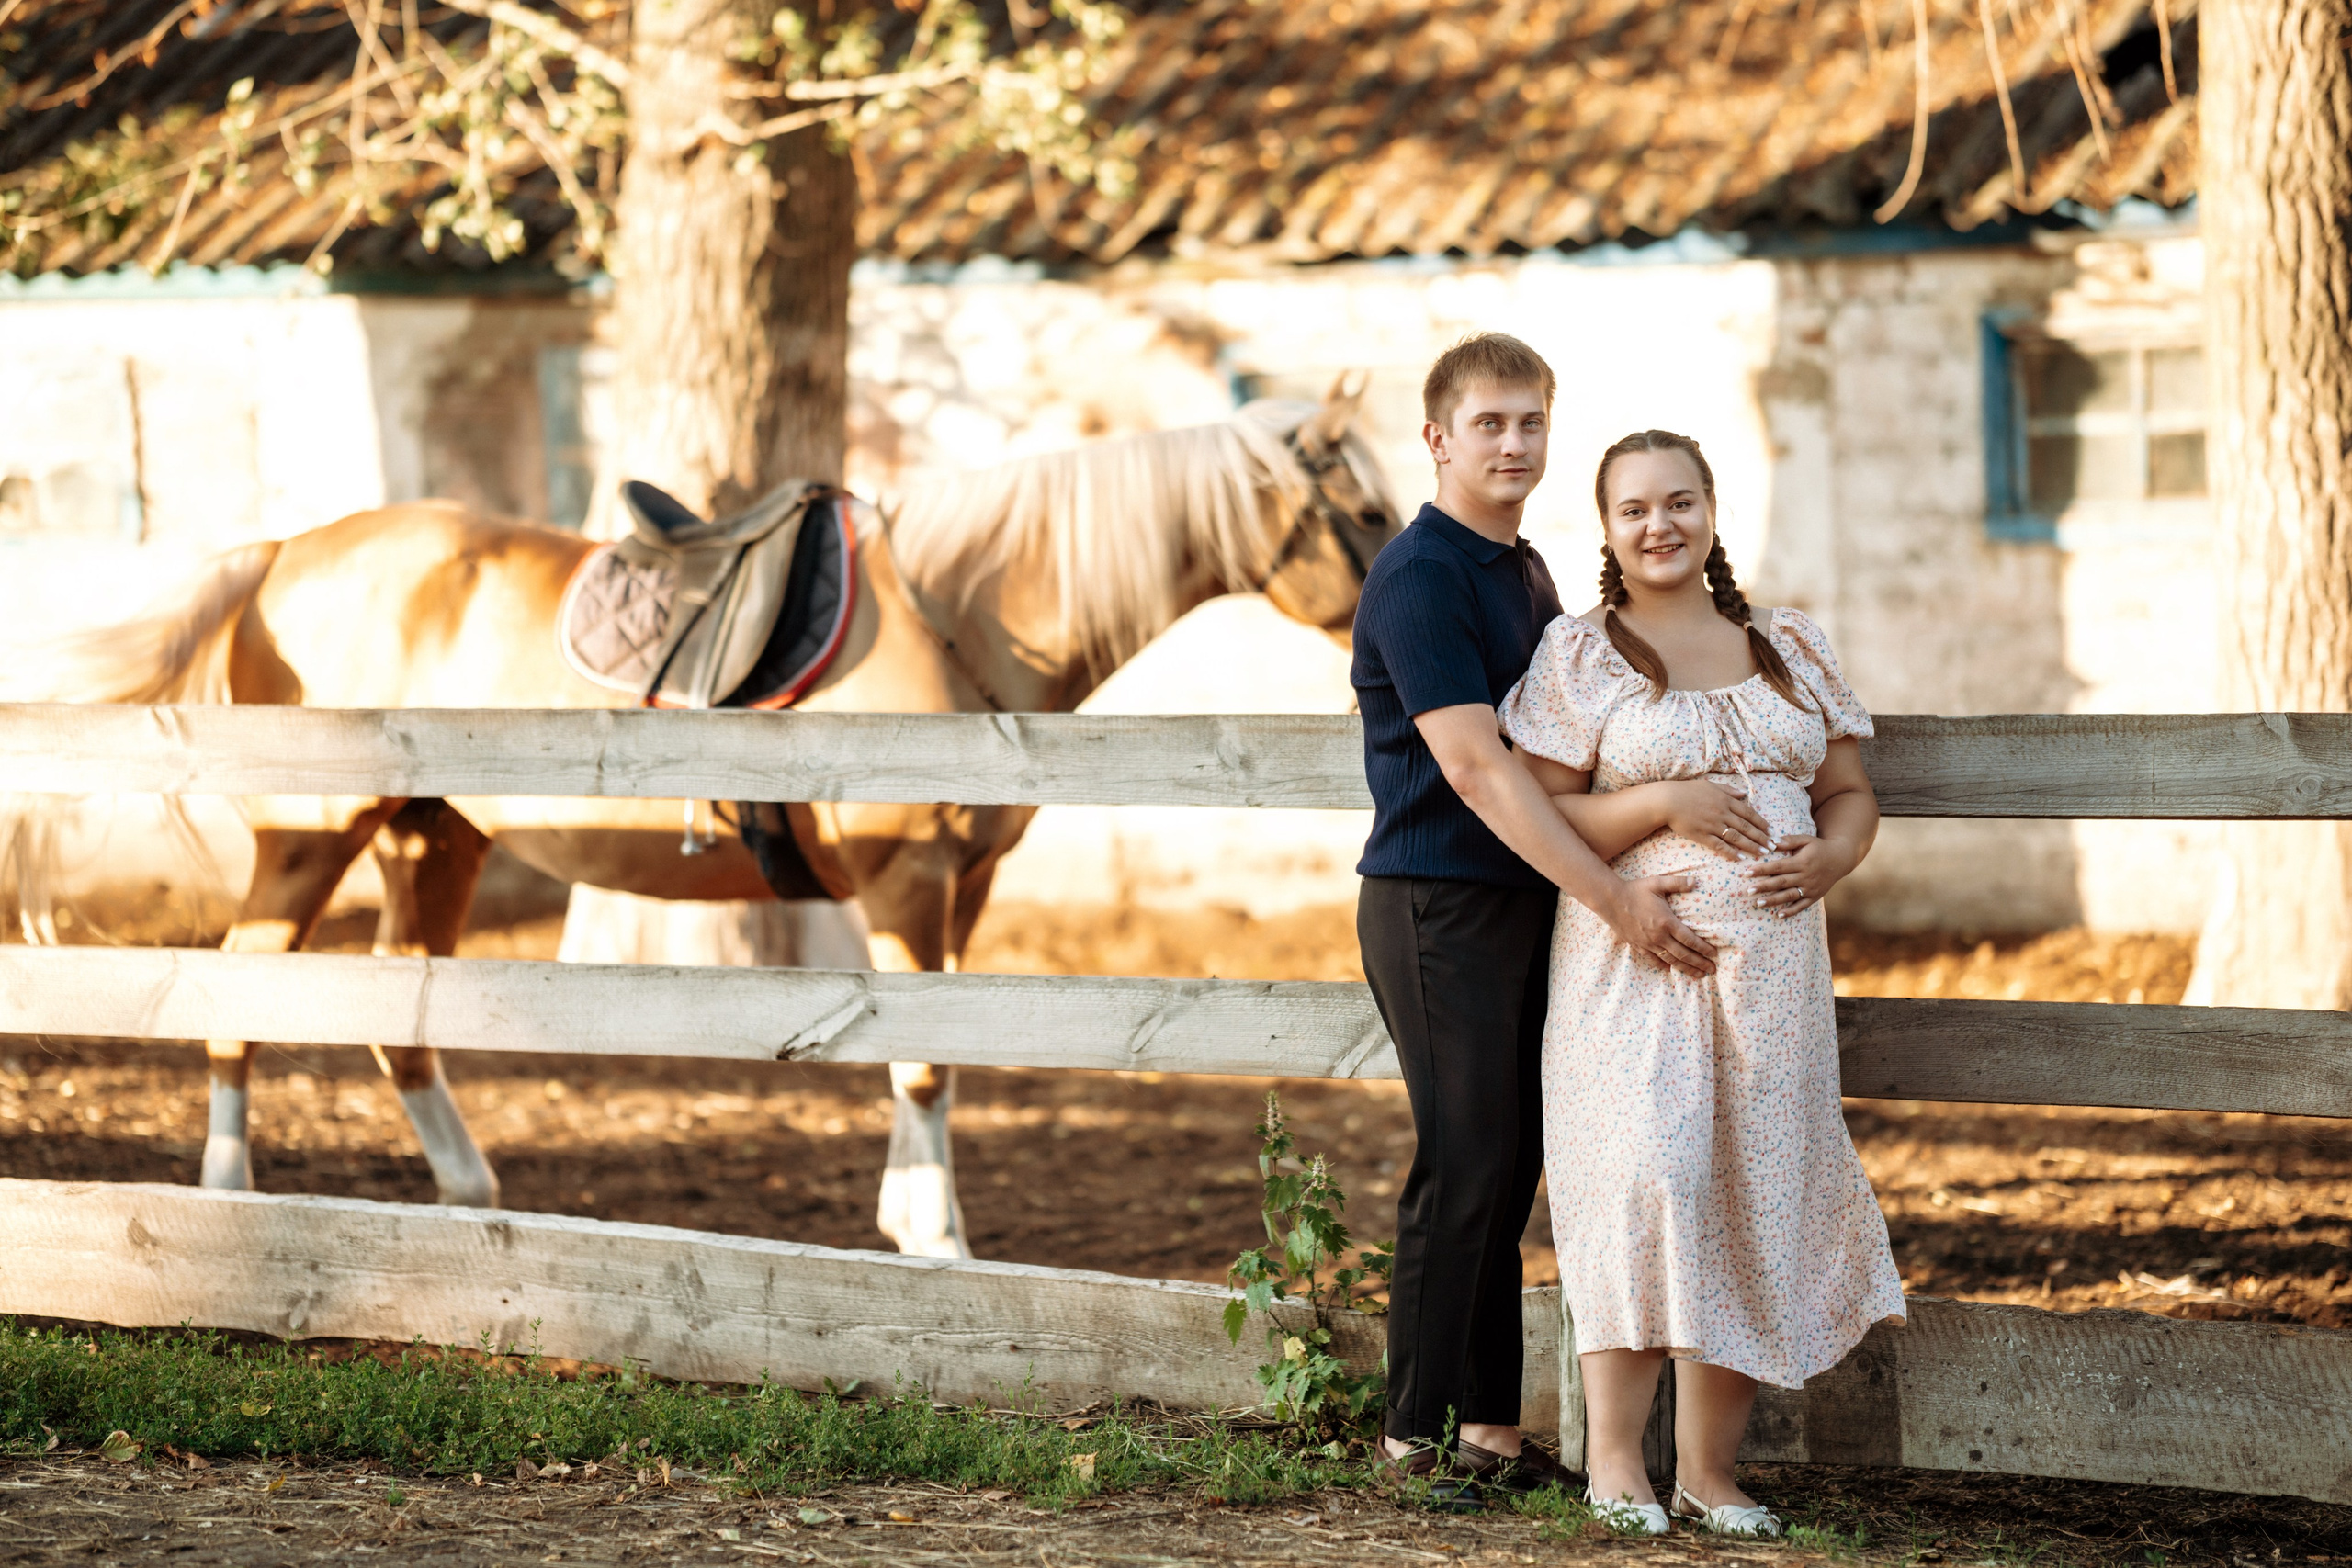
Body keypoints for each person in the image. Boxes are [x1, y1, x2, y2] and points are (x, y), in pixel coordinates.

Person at [1496, 429, 1906, 1536]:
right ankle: (1617, 1466)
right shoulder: (1582, 655)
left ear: (1711, 510)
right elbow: (1542, 809)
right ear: (1609, 530)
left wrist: (1830, 854)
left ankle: (1709, 1475)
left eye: (1678, 502)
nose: (1658, 525)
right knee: (1644, 1180)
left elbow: (1850, 792)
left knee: (1752, 1189)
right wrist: (1664, 803)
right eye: (1633, 509)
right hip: (1633, 960)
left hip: (1772, 974)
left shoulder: (1785, 643)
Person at [1351, 337, 1718, 1509]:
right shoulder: (1420, 577)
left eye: (1531, 424)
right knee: (1461, 1164)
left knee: (1512, 1169)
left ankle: (1494, 1435)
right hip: (1436, 901)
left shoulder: (1529, 573)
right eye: (1490, 424)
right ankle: (1414, 1441)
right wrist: (1614, 897)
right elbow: (1477, 769)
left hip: (1527, 903)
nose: (1514, 445)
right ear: (1438, 440)